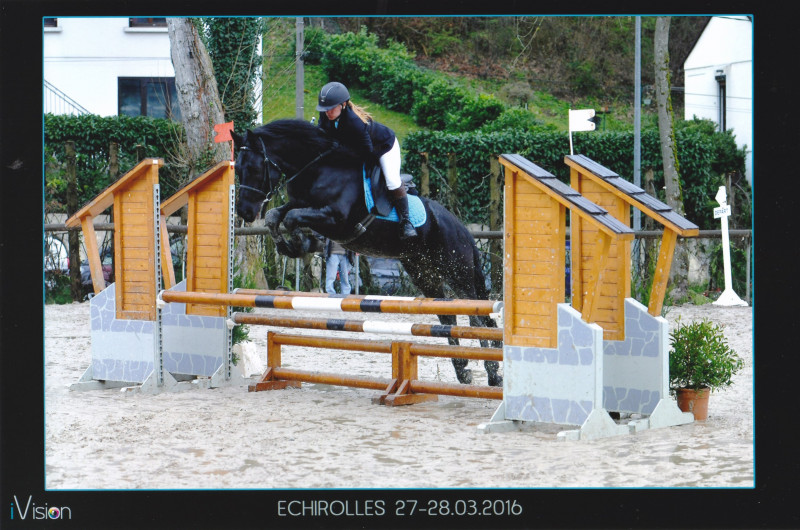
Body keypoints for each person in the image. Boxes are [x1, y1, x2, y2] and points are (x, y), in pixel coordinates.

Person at [316, 81, 417, 240]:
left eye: (330, 108)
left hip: (383, 147)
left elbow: (366, 152)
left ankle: (406, 222)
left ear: (343, 105)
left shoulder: (354, 122)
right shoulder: (326, 116)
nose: (327, 112)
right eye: (324, 109)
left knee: (391, 180)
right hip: (357, 149)